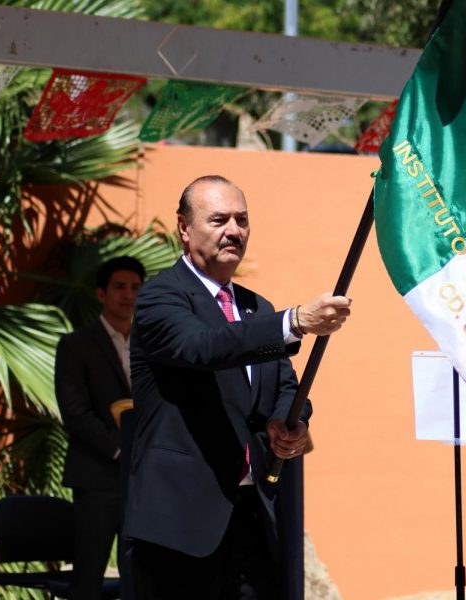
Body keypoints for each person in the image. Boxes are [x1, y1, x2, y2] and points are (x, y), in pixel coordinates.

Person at [124, 175, 351, 600]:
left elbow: (285, 386)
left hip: (251, 516)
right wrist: (294, 321)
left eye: (242, 219)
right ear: (184, 228)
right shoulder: (160, 297)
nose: (234, 230)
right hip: (178, 525)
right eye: (219, 219)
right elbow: (204, 347)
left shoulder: (254, 307)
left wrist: (290, 421)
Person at [55, 255, 146, 600]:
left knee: (139, 574)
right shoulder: (76, 345)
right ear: (101, 293)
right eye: (119, 287)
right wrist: (119, 448)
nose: (128, 295)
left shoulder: (150, 344)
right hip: (96, 478)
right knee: (89, 575)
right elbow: (74, 413)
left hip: (142, 478)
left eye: (135, 288)